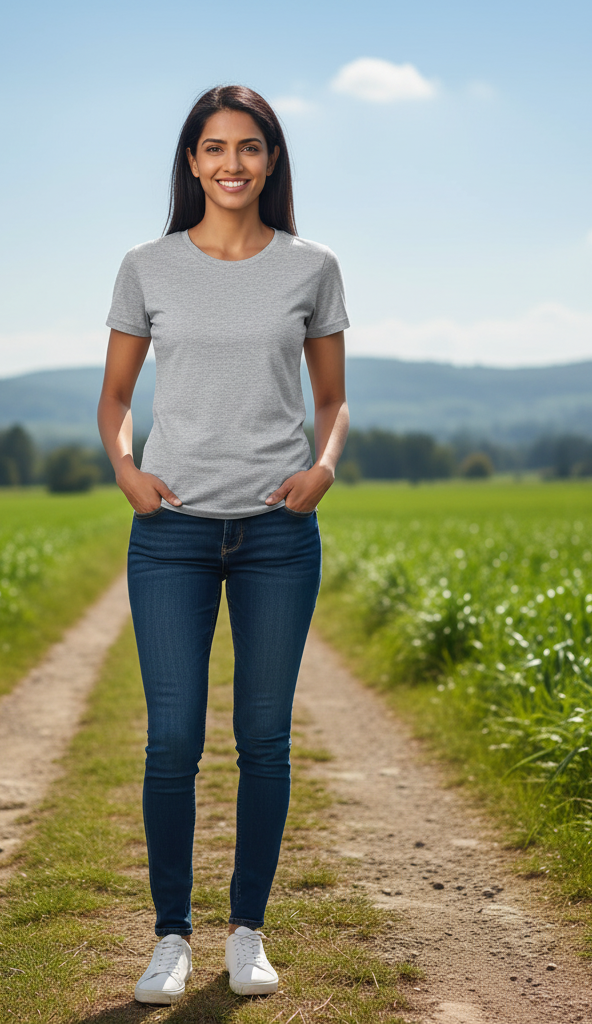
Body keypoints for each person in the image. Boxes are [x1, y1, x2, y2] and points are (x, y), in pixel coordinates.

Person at [97, 84, 349, 1005]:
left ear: (271, 161)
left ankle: (248, 932)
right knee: (172, 739)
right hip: (171, 534)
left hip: (280, 533)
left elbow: (332, 401)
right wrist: (128, 472)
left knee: (263, 738)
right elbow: (117, 399)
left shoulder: (312, 266)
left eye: (249, 148)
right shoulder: (147, 266)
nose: (231, 164)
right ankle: (171, 936)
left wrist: (323, 468)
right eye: (214, 148)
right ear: (192, 162)